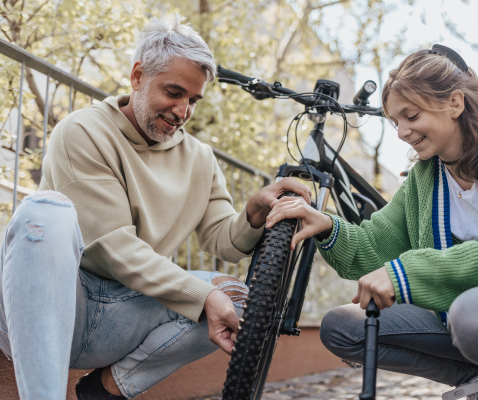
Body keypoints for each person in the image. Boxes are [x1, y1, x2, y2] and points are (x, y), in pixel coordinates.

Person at [0, 16, 310, 400]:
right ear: (137, 76)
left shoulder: (200, 158)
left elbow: (223, 242)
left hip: (122, 316)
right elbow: (114, 249)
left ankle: (106, 390)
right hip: (52, 308)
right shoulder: (82, 132)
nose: (182, 111)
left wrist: (252, 214)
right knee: (44, 210)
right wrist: (201, 296)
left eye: (193, 100)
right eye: (174, 92)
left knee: (239, 295)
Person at [266, 45, 478, 400]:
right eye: (394, 121)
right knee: (343, 327)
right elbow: (373, 247)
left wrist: (408, 274)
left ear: (455, 103)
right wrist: (326, 225)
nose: (402, 131)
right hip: (470, 322)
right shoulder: (425, 178)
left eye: (411, 116)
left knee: (472, 314)